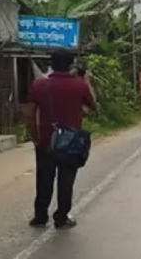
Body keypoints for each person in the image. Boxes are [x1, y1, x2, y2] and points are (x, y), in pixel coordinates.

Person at [25, 50, 98, 230]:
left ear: (51, 64)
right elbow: (94, 106)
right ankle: (61, 217)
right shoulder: (78, 85)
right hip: (71, 142)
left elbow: (28, 113)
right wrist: (86, 81)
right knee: (66, 181)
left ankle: (40, 216)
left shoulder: (39, 84)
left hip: (45, 139)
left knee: (43, 179)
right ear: (71, 65)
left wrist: (34, 136)